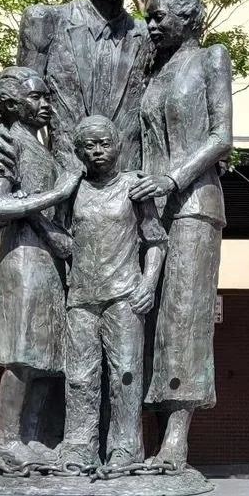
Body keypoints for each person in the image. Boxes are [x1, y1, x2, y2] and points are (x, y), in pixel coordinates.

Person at [129, 0, 233, 468]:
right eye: (148, 17)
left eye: (159, 16)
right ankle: (143, 440)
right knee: (146, 319)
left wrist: (173, 178)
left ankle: (176, 439)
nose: (151, 24)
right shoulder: (153, 71)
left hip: (194, 204)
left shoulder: (211, 58)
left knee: (184, 316)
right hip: (150, 208)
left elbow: (221, 136)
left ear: (189, 18)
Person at [0, 0, 148, 176]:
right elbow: (21, 106)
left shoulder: (146, 36)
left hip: (128, 189)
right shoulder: (46, 22)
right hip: (65, 184)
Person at [57, 116, 167, 469]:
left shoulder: (133, 187)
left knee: (126, 375)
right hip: (82, 298)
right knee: (79, 376)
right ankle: (78, 445)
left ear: (117, 145)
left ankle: (125, 449)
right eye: (89, 146)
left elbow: (156, 242)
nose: (98, 151)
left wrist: (149, 284)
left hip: (124, 296)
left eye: (104, 143)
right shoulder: (71, 189)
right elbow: (59, 239)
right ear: (79, 152)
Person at [0, 66, 75, 459]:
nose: (45, 105)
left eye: (46, 97)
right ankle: (8, 441)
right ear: (10, 104)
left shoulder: (42, 149)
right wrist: (59, 193)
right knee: (21, 355)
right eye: (36, 97)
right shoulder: (8, 143)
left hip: (48, 259)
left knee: (47, 357)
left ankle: (34, 438)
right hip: (21, 258)